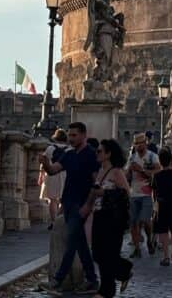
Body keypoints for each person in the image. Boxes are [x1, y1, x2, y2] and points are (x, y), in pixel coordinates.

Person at [38, 122, 100, 294]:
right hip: (68, 202)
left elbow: (96, 184)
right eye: (69, 135)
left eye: (74, 135)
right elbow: (53, 170)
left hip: (81, 204)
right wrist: (45, 163)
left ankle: (57, 280)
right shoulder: (68, 154)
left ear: (83, 135)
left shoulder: (91, 156)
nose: (71, 139)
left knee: (71, 242)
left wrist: (88, 205)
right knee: (79, 243)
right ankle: (92, 280)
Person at [86, 139, 131, 298]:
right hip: (99, 215)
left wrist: (104, 193)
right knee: (98, 253)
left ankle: (106, 291)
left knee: (108, 254)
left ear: (108, 154)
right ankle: (124, 270)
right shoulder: (99, 171)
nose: (96, 153)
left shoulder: (116, 172)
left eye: (99, 151)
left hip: (113, 218)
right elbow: (94, 193)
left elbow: (126, 193)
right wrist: (87, 207)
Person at [127, 133, 161, 258]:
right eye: (135, 144)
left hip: (147, 193)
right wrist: (128, 172)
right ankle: (137, 248)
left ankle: (149, 239)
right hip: (133, 193)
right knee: (133, 222)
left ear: (145, 144)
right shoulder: (132, 158)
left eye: (140, 143)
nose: (137, 146)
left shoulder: (152, 156)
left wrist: (141, 170)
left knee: (145, 220)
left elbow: (158, 171)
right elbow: (127, 174)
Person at [151, 146, 172, 266]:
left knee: (163, 231)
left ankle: (166, 256)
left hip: (162, 204)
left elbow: (154, 192)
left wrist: (155, 204)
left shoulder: (157, 175)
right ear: (170, 160)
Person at [39, 128, 68, 228]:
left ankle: (54, 221)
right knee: (63, 200)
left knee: (52, 200)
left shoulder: (50, 148)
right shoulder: (69, 149)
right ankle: (61, 221)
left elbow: (44, 163)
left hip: (51, 175)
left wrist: (41, 175)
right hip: (64, 175)